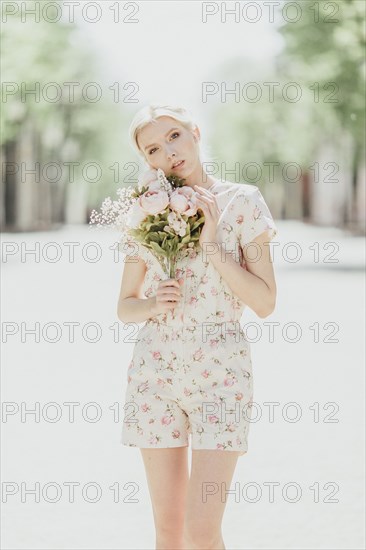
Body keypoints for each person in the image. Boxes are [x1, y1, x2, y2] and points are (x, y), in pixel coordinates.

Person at [117, 104, 278, 550]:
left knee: (201, 532)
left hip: (221, 375)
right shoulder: (142, 213)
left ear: (195, 132)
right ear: (147, 161)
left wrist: (212, 247)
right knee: (169, 533)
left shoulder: (242, 201)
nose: (168, 152)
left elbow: (265, 301)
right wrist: (151, 302)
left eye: (173, 136)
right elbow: (124, 307)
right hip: (156, 374)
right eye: (154, 148)